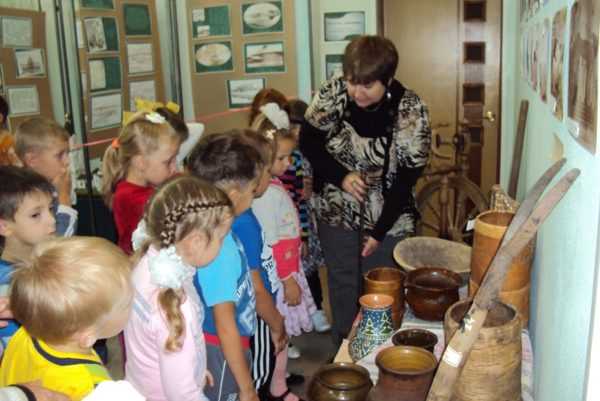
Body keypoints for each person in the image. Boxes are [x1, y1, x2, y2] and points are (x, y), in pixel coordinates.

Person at [299, 35, 432, 345]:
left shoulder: (410, 109)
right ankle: (345, 351)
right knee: (342, 281)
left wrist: (379, 232)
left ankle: (378, 350)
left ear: (387, 79)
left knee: (381, 285)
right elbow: (309, 141)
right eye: (351, 81)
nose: (356, 91)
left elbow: (407, 178)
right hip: (336, 206)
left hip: (390, 212)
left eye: (367, 85)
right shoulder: (334, 91)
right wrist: (342, 176)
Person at [125, 175, 234, 401]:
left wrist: (194, 369)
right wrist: (190, 383)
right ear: (195, 241)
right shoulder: (176, 305)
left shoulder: (147, 263)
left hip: (143, 387)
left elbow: (161, 348)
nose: (223, 246)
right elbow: (182, 394)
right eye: (221, 238)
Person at [0, 236, 133, 401]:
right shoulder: (91, 389)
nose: (132, 306)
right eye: (126, 304)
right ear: (87, 336)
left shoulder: (26, 334)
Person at [185, 131, 262, 401]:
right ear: (233, 195)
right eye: (253, 190)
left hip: (223, 346)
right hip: (221, 350)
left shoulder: (217, 234)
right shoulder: (220, 250)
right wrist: (247, 387)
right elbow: (225, 322)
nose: (254, 196)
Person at [251, 103, 317, 401]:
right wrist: (289, 278)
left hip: (286, 271)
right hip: (278, 278)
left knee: (281, 336)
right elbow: (271, 244)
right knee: (277, 335)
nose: (288, 163)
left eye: (290, 155)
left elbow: (285, 229)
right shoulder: (266, 195)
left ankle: (277, 379)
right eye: (281, 157)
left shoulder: (274, 186)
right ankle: (275, 387)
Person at [235, 130, 288, 398]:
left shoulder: (244, 214)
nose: (272, 176)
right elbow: (256, 289)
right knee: (259, 377)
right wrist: (277, 323)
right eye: (268, 170)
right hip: (258, 318)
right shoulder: (244, 223)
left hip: (257, 312)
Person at [102, 111, 182, 255]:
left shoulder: (149, 184)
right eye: (168, 162)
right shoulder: (129, 197)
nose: (175, 168)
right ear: (141, 163)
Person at [0, 166, 56, 353]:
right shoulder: (7, 283)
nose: (52, 221)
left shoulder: (46, 257)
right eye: (35, 215)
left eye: (50, 209)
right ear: (4, 226)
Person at [13, 117, 77, 237]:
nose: (67, 161)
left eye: (67, 153)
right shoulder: (24, 198)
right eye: (59, 155)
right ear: (32, 160)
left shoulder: (49, 186)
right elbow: (57, 247)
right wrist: (64, 197)